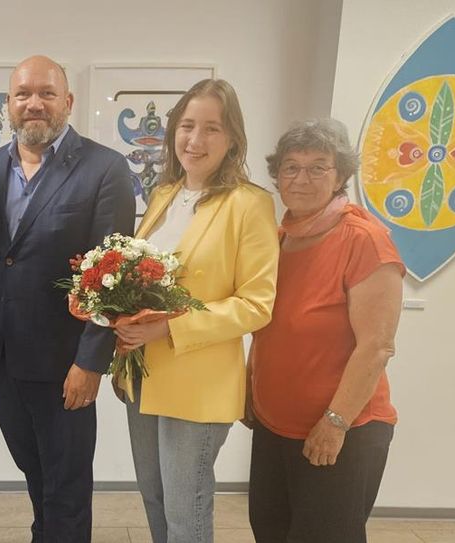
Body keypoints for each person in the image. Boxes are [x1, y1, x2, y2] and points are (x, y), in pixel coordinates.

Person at [0, 55, 135, 543]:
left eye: (46, 93)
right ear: (8, 103)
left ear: (68, 102)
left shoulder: (105, 168)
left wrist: (91, 361)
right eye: (23, 94)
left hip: (65, 364)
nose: (34, 103)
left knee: (67, 487)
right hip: (1, 359)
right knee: (35, 474)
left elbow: (111, 274)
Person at [113, 78, 279, 543]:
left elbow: (256, 304)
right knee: (155, 499)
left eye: (211, 128)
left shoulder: (250, 204)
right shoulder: (164, 195)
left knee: (186, 513)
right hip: (143, 374)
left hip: (198, 383)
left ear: (233, 139)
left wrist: (168, 329)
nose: (195, 139)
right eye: (187, 126)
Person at [247, 119, 403, 543]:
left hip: (341, 431)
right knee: (270, 532)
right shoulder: (279, 239)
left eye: (318, 167)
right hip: (274, 425)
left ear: (340, 176)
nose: (302, 178)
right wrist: (250, 388)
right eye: (291, 167)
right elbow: (267, 328)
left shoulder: (363, 240)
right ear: (277, 175)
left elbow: (377, 347)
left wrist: (335, 423)